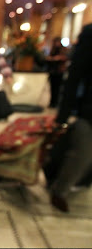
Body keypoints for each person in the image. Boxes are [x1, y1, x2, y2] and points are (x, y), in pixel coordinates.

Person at [49, 23, 92, 212]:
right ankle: (59, 190)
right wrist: (63, 116)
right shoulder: (90, 35)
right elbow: (74, 77)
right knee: (82, 153)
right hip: (88, 112)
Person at [45, 37, 68, 108]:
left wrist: (58, 58)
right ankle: (52, 102)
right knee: (52, 88)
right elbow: (48, 58)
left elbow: (65, 58)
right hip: (52, 71)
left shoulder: (63, 50)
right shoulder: (53, 50)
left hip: (59, 72)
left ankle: (56, 103)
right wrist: (53, 59)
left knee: (58, 88)